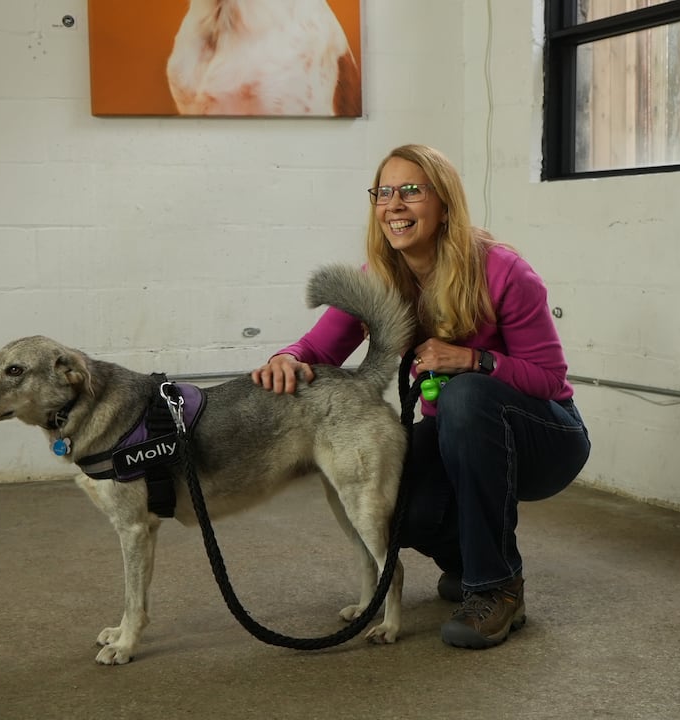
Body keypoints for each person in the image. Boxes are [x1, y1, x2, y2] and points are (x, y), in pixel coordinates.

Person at [251, 144, 590, 649]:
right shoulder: (380, 280)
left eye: (412, 190)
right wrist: (286, 358)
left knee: (467, 397)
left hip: (548, 437)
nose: (395, 205)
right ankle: (468, 559)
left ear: (445, 202)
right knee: (384, 489)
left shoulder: (503, 272)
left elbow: (549, 378)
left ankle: (495, 586)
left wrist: (474, 360)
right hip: (461, 437)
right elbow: (317, 348)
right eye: (384, 192)